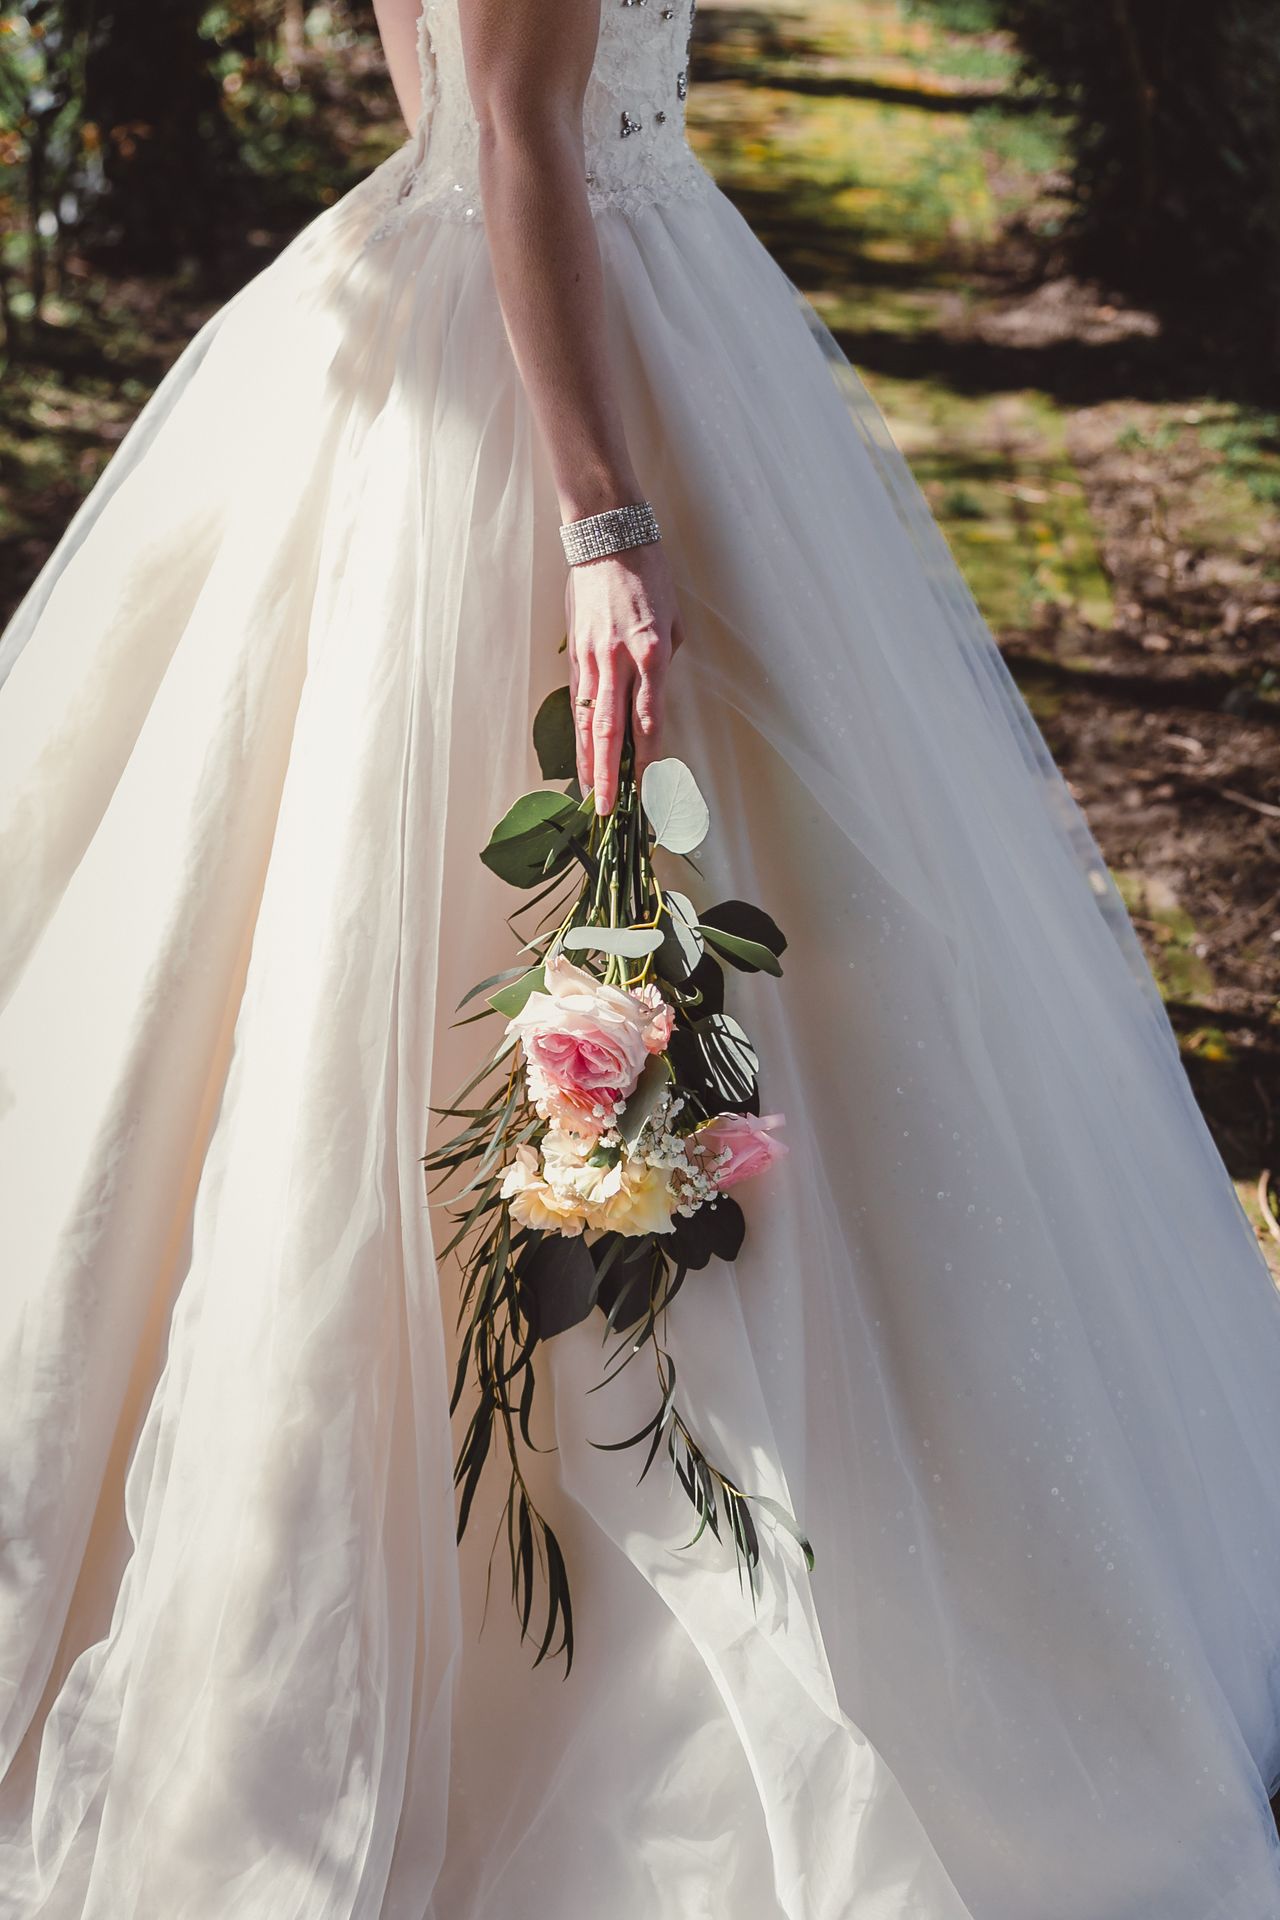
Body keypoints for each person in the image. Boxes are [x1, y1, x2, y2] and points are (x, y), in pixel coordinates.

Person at [2, 2, 1280, 1914]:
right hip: (571, 328)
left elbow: (434, 74)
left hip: (522, 278)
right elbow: (519, 123)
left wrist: (486, 217)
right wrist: (599, 518)